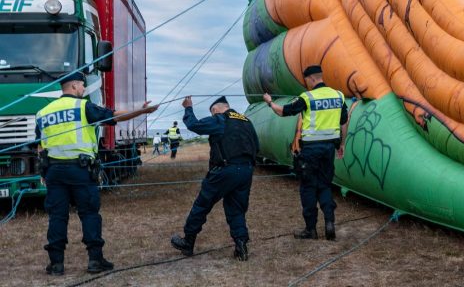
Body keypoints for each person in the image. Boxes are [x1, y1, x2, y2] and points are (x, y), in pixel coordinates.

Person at [35, 72, 158, 276]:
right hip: (80, 170)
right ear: (74, 86)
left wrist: (43, 171)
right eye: (82, 86)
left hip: (54, 172)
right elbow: (115, 115)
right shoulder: (83, 107)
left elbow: (40, 146)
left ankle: (56, 264)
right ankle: (95, 260)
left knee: (57, 216)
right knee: (89, 214)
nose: (83, 90)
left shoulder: (43, 112)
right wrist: (141, 111)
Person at [263, 65, 348, 241]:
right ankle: (330, 223)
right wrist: (342, 144)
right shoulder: (338, 96)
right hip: (328, 150)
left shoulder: (307, 97)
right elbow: (344, 122)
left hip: (310, 151)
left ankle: (311, 229)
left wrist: (270, 102)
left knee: (308, 187)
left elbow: (283, 111)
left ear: (310, 79)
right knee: (324, 185)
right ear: (321, 77)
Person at [170, 95, 258, 261]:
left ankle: (188, 242)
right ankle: (241, 245)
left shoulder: (220, 119)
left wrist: (188, 108)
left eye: (212, 113)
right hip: (246, 170)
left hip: (225, 170)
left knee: (202, 204)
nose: (212, 116)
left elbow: (194, 125)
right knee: (236, 209)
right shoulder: (246, 121)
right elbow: (257, 145)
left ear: (216, 109)